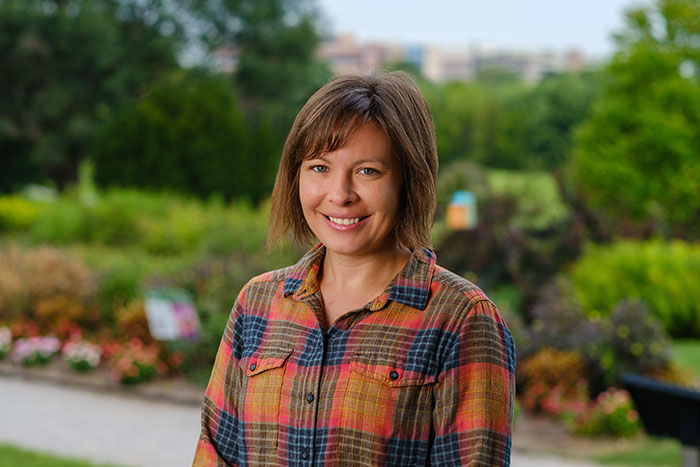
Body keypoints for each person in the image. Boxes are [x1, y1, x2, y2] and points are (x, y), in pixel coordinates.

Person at [193, 72, 515, 466]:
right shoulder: (258, 303)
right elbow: (214, 456)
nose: (340, 195)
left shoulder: (461, 319)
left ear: (408, 180)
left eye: (368, 171)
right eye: (319, 168)